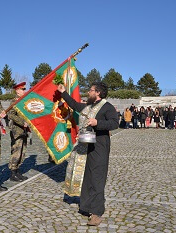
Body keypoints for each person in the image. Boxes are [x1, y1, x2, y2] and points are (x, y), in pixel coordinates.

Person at [57, 82, 119, 226]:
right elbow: (74, 104)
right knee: (87, 177)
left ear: (97, 92)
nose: (88, 92)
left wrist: (97, 122)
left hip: (99, 148)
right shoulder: (88, 106)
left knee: (97, 178)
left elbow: (114, 123)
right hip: (85, 146)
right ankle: (86, 207)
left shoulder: (107, 107)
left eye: (91, 90)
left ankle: (96, 212)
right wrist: (63, 92)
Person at [7, 82, 29, 182]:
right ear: (17, 91)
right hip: (17, 130)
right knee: (16, 151)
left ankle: (17, 170)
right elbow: (10, 115)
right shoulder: (14, 101)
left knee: (22, 152)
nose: (24, 91)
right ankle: (13, 172)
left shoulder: (24, 101)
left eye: (25, 89)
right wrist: (22, 122)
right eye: (22, 89)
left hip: (24, 130)